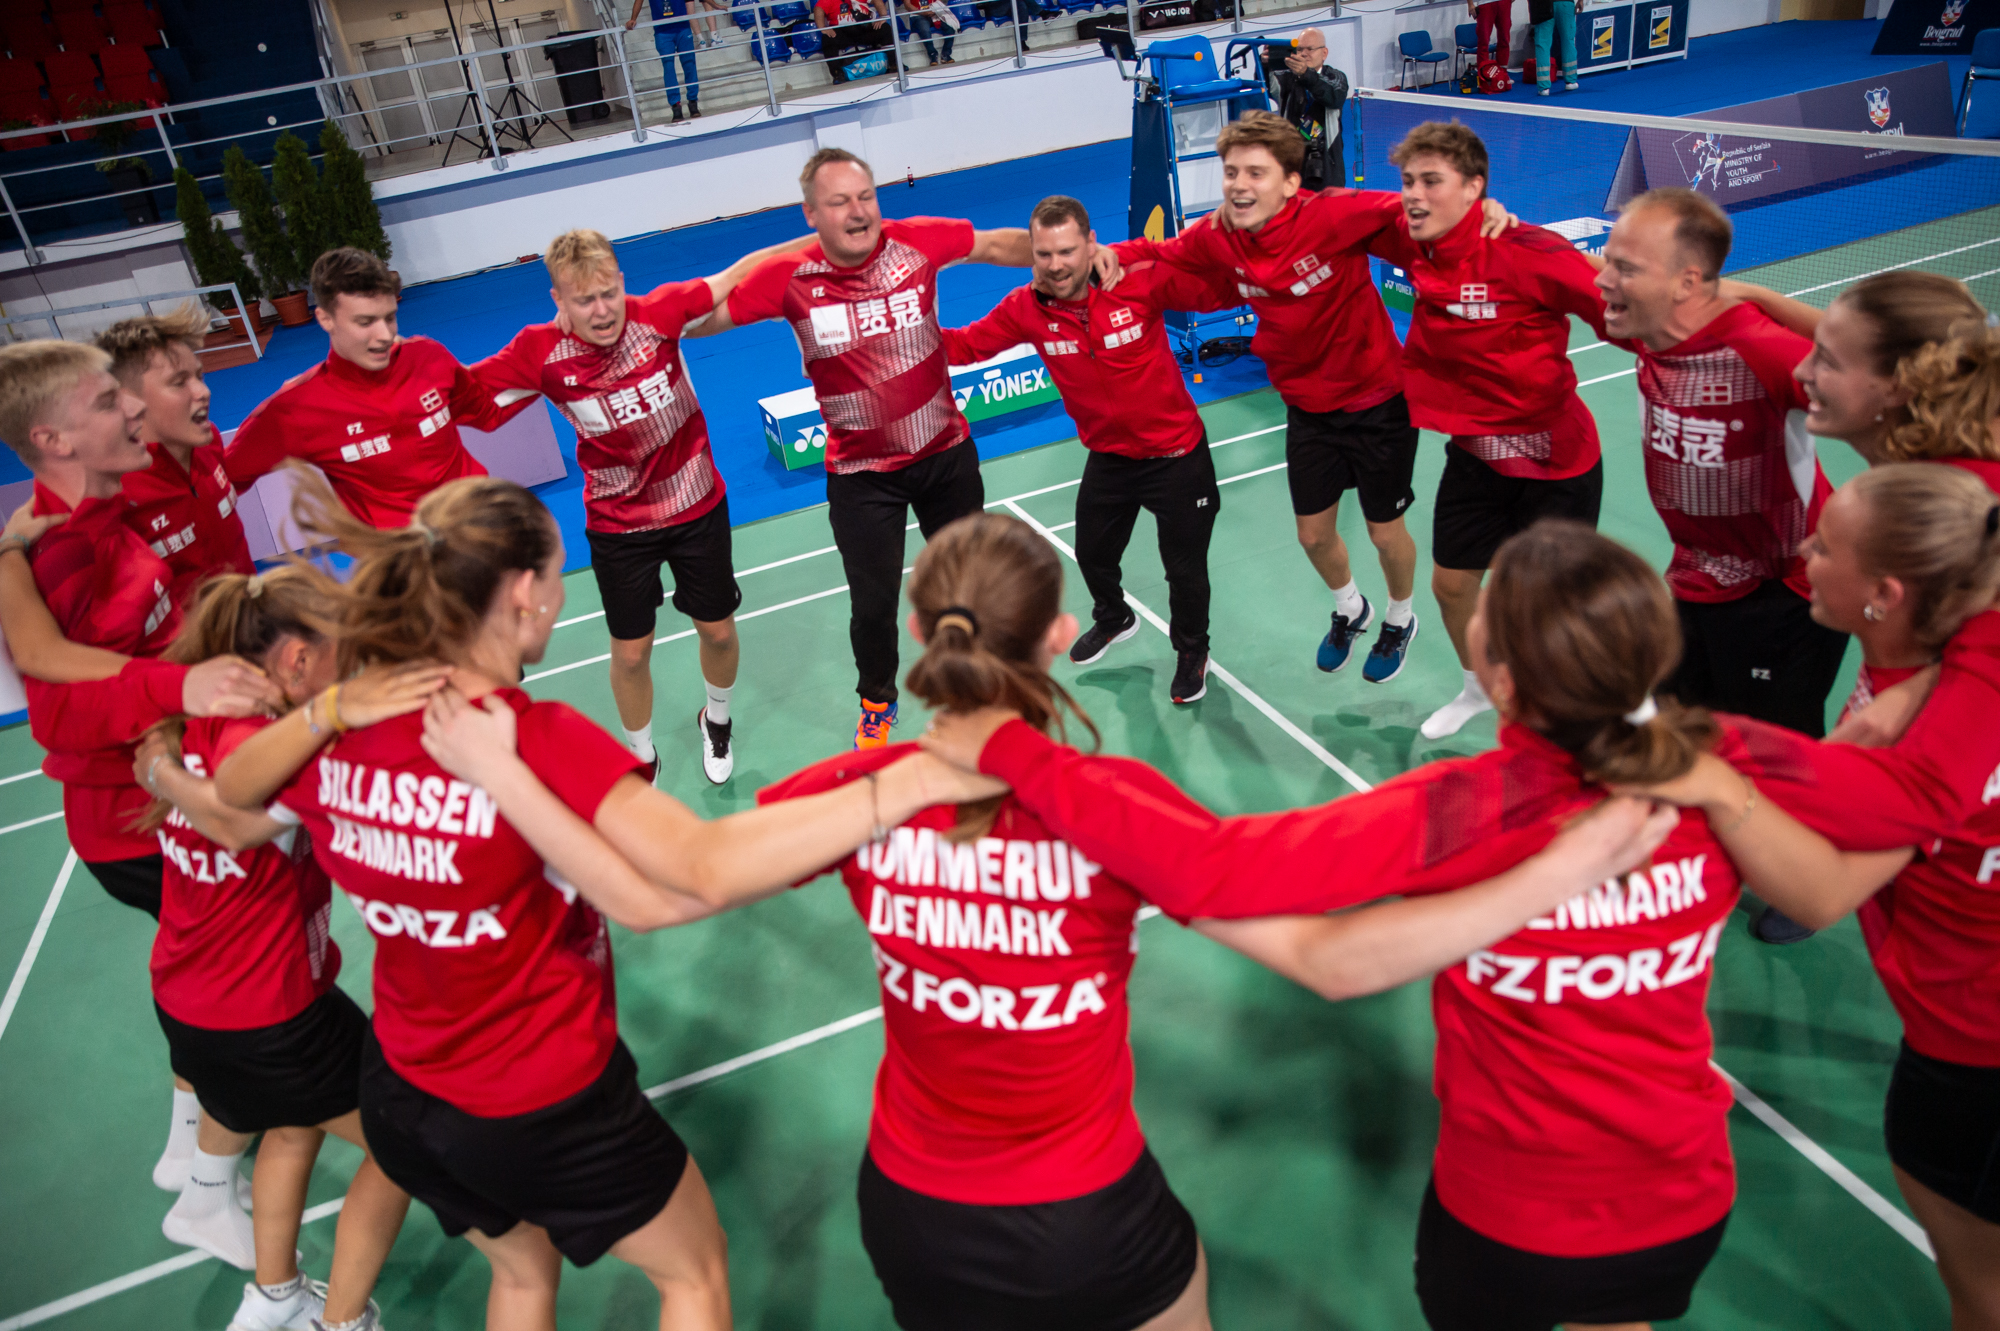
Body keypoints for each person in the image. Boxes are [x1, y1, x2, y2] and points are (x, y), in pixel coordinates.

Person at [421, 510, 1678, 1331]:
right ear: (1063, 636)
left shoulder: (845, 795)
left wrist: (506, 770)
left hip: (913, 1210)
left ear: (915, 631)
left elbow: (662, 887)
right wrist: (1551, 873)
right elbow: (1326, 957)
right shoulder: (1114, 807)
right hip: (1089, 1215)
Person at [919, 519, 1907, 1331]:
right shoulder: (1725, 761)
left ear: (1501, 680)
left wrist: (1018, 750)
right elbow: (1903, 808)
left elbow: (1218, 865)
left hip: (1508, 1216)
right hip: (1677, 1196)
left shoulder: (1463, 808)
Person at [208, 471, 992, 1331]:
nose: (558, 593)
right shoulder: (532, 738)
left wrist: (325, 708)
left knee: (521, 1273)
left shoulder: (340, 736)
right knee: (693, 1271)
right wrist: (909, 782)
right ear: (522, 593)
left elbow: (232, 796)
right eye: (555, 573)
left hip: (406, 1089)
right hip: (544, 1098)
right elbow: (700, 864)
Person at [1624, 465, 2000, 1329]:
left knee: (1979, 1289)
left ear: (1885, 594)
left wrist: (1695, 761)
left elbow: (1823, 885)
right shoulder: (1960, 659)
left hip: (1972, 1053)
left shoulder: (1920, 752)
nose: (1803, 551)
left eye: (1824, 546)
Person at [0, 340, 280, 1194]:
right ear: (52, 439)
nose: (130, 407)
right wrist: (179, 690)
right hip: (136, 819)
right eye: (105, 400)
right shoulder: (60, 552)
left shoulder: (96, 512)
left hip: (168, 787)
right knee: (228, 988)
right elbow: (58, 708)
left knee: (218, 971)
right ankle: (206, 1174)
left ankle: (196, 1143)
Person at [713, 147, 1103, 747]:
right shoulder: (790, 277)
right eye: (839, 202)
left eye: (865, 196)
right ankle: (877, 702)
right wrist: (761, 260)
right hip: (862, 477)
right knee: (873, 606)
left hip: (945, 455)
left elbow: (996, 244)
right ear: (811, 213)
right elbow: (701, 319)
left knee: (975, 588)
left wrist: (1078, 258)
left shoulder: (915, 241)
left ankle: (989, 686)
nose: (858, 211)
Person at [1122, 111, 1511, 685]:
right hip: (1307, 408)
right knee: (1313, 535)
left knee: (1384, 532)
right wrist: (1095, 257)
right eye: (1231, 172)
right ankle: (1351, 608)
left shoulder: (1333, 214)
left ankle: (1400, 617)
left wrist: (1482, 212)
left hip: (1378, 400)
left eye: (1255, 172)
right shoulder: (1218, 233)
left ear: (1289, 182)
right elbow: (1161, 253)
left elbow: (1416, 210)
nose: (1238, 185)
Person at [134, 566, 408, 1331]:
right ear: (296, 659)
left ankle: (275, 1295)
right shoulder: (274, 750)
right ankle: (343, 1321)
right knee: (404, 1144)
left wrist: (159, 770)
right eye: (341, 650)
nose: (351, 662)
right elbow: (238, 820)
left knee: (293, 1122)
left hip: (188, 1004)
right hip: (272, 1016)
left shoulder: (195, 722)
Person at [472, 228, 802, 786]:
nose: (602, 311)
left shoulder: (656, 314)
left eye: (609, 294)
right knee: (630, 653)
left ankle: (717, 719)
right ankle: (641, 755)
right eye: (584, 300)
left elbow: (739, 274)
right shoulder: (540, 353)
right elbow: (459, 394)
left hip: (696, 504)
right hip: (618, 523)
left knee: (719, 633)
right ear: (558, 300)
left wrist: (823, 240)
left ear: (622, 281)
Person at [939, 195, 1237, 703]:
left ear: (1091, 244)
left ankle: (1192, 651)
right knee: (1093, 552)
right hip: (1111, 458)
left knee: (1184, 570)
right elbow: (965, 346)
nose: (1055, 265)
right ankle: (1115, 617)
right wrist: (900, 334)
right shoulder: (1025, 308)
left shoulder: (1136, 281)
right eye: (1044, 254)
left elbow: (1217, 288)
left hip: (1176, 456)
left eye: (1067, 252)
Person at [1371, 121, 1609, 734]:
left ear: (1474, 188)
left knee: (1548, 606)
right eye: (1408, 181)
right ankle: (1479, 688)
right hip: (1476, 455)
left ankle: (1565, 712)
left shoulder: (1530, 252)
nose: (1414, 194)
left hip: (1556, 464)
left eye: (1431, 181)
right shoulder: (1415, 239)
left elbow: (1620, 313)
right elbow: (1334, 213)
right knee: (1452, 585)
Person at [1595, 188, 1847, 740]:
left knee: (1771, 758)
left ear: (1686, 283)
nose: (1602, 280)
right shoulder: (1647, 326)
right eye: (1608, 260)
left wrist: (1757, 293)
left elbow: (1877, 362)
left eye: (1625, 268)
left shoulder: (1763, 351)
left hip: (1782, 597)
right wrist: (1492, 217)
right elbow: (1552, 263)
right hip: (1697, 579)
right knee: (1679, 734)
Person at [223, 248, 534, 531]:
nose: (384, 335)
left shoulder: (428, 356)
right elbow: (224, 481)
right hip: (399, 558)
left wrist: (541, 367)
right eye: (365, 322)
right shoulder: (294, 407)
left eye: (390, 318)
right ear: (325, 318)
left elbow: (486, 411)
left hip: (480, 530)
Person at [96, 305, 255, 596]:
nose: (203, 392)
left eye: (199, 376)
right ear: (126, 401)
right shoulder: (110, 493)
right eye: (179, 382)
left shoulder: (209, 442)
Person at [1266, 27, 1348, 191]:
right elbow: (1269, 86)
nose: (1303, 54)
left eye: (1310, 49)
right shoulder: (1286, 78)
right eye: (1300, 49)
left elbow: (1334, 97)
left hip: (1328, 164)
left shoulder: (1335, 77)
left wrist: (1306, 75)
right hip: (1293, 161)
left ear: (1324, 53)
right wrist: (1264, 65)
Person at [627, 0, 701, 122]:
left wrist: (715, 5)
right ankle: (675, 106)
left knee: (689, 64)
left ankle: (693, 101)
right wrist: (633, 18)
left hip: (683, 27)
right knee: (668, 67)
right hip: (662, 31)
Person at [1529, 0, 1577, 94]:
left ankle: (1544, 87)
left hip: (1543, 5)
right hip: (1565, 4)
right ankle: (1571, 81)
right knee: (1568, 41)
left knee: (1542, 45)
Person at [901, 0, 956, 65]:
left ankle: (946, 54)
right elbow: (907, 5)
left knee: (950, 26)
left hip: (934, 13)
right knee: (925, 29)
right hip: (917, 14)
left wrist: (935, 9)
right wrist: (923, 12)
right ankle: (933, 55)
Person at [1470, 0, 1511, 71]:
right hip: (1485, 3)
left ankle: (1502, 73)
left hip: (1503, 2)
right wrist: (1470, 4)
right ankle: (1483, 73)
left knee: (1504, 39)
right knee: (1483, 41)